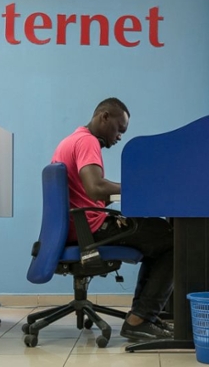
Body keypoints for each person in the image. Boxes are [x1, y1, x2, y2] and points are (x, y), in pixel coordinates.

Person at [51, 97, 174, 340]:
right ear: (104, 117)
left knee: (158, 235)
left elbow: (88, 194)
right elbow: (95, 187)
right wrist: (137, 188)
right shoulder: (87, 141)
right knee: (174, 239)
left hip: (79, 226)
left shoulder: (72, 140)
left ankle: (143, 314)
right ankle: (141, 319)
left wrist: (121, 195)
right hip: (91, 228)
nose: (119, 137)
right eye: (119, 129)